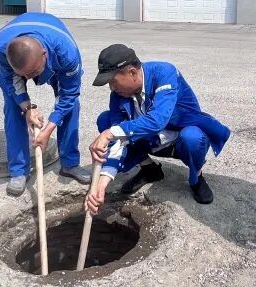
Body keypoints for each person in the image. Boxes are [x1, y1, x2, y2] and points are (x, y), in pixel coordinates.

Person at [84, 44, 230, 213]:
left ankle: (196, 178)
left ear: (132, 73)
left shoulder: (164, 73)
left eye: (113, 81)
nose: (112, 88)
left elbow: (157, 120)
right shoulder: (117, 95)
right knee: (105, 120)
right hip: (151, 141)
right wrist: (102, 184)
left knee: (193, 137)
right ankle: (150, 169)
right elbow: (118, 141)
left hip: (179, 140)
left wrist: (109, 134)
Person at [0, 12, 92, 196]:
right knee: (13, 107)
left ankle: (70, 163)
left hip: (56, 52)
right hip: (18, 61)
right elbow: (10, 81)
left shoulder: (67, 54)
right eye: (24, 75)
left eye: (33, 72)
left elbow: (69, 94)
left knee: (71, 106)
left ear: (44, 55)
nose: (29, 78)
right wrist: (27, 107)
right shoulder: (0, 48)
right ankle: (18, 171)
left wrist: (48, 129)